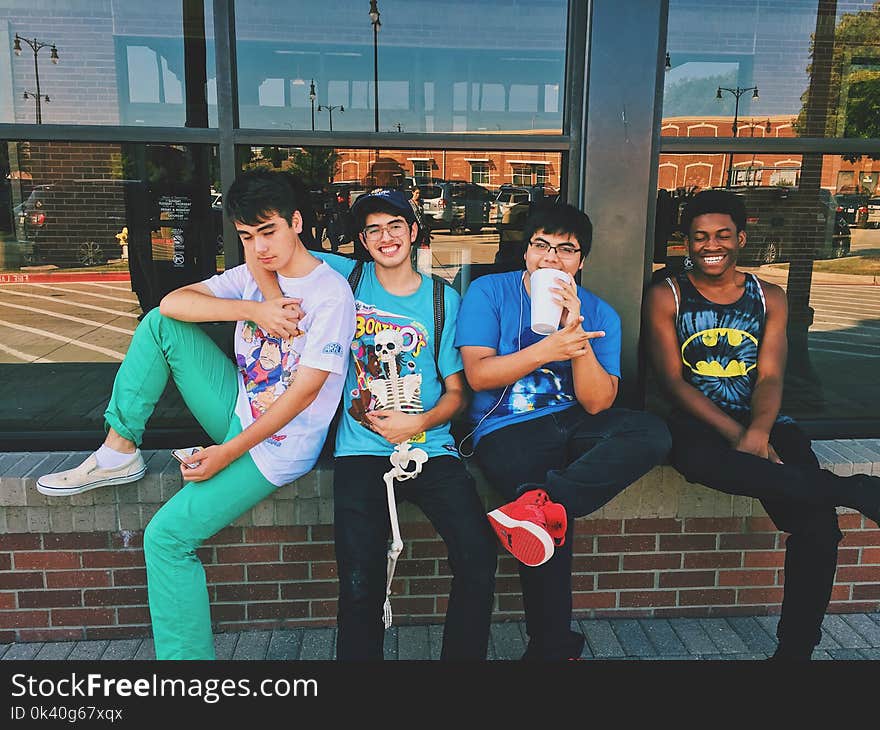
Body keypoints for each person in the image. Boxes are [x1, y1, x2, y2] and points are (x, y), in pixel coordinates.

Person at [35, 169, 356, 660]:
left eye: (268, 232)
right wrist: (256, 310)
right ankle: (119, 450)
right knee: (160, 323)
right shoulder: (254, 276)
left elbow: (306, 394)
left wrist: (226, 453)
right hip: (236, 405)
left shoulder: (330, 295)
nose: (260, 247)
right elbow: (172, 302)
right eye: (248, 237)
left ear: (296, 222)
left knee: (165, 538)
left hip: (276, 445)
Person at [251, 187, 497, 661]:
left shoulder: (444, 299)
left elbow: (457, 392)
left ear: (414, 231)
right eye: (374, 229)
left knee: (477, 557)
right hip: (360, 451)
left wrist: (418, 422)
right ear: (362, 240)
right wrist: (266, 304)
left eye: (395, 226)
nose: (386, 237)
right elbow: (269, 253)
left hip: (429, 447)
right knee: (360, 580)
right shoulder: (345, 278)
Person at [643, 188, 880, 660]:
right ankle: (854, 489)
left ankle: (795, 653)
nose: (712, 245)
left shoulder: (769, 297)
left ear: (741, 238)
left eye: (723, 235)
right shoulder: (665, 294)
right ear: (687, 242)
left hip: (768, 418)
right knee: (696, 459)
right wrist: (738, 436)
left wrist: (758, 431)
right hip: (696, 419)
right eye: (700, 237)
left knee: (818, 529)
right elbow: (673, 382)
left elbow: (771, 375)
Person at [455, 201, 671, 660]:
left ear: (581, 260)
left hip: (573, 419)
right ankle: (553, 647)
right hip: (503, 426)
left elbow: (597, 402)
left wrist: (575, 338)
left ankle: (541, 508)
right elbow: (478, 376)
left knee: (650, 433)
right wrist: (547, 347)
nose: (551, 258)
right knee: (548, 508)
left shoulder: (600, 313)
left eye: (565, 250)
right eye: (541, 246)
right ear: (526, 251)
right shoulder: (489, 292)